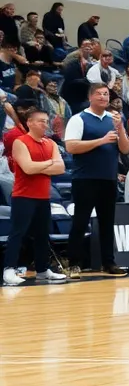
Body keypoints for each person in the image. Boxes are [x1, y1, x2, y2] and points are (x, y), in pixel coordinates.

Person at [64, 83, 129, 277]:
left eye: (106, 94)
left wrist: (120, 128)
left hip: (108, 178)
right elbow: (71, 147)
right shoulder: (79, 119)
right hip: (85, 178)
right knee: (80, 221)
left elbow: (125, 149)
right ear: (91, 97)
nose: (104, 97)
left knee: (107, 222)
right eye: (100, 94)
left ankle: (108, 263)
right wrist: (101, 141)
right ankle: (74, 264)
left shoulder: (114, 119)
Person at [2, 109, 69, 287]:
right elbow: (28, 168)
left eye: (46, 121)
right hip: (23, 196)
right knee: (18, 233)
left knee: (42, 234)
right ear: (30, 122)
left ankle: (42, 269)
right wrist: (49, 163)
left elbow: (61, 168)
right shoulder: (20, 142)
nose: (45, 124)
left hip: (43, 197)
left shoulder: (51, 143)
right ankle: (9, 269)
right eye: (41, 121)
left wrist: (41, 166)